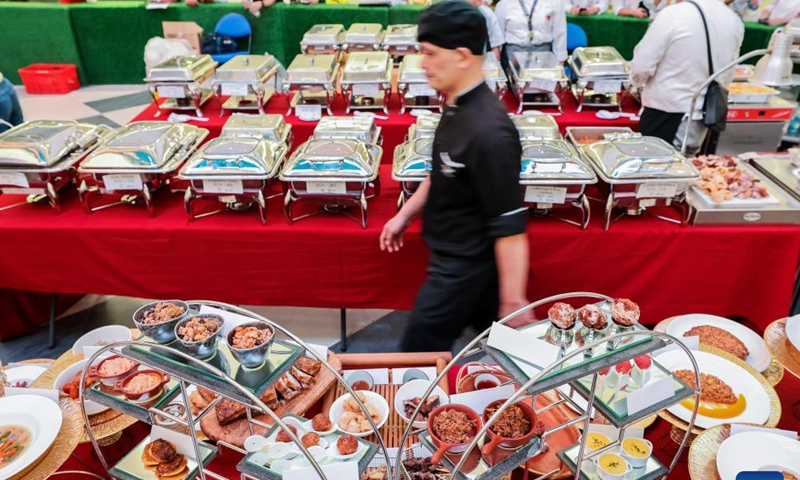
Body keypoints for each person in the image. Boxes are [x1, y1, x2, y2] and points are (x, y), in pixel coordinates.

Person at [379, 1, 533, 353]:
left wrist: (513, 302)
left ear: (462, 56)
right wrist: (406, 214)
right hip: (461, 262)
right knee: (509, 356)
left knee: (416, 354)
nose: (423, 63)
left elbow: (510, 227)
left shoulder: (491, 132)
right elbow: (444, 169)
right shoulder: (456, 104)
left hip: (463, 268)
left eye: (431, 53)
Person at [629, 0, 743, 152]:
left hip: (666, 110)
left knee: (653, 168)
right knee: (687, 166)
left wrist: (636, 84)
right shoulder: (733, 20)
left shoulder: (673, 14)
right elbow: (728, 73)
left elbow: (642, 66)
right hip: (704, 114)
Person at [495, 0, 568, 65]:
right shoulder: (504, 3)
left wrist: (560, 65)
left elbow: (560, 33)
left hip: (543, 55)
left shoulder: (555, 2)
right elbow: (496, 41)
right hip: (512, 55)